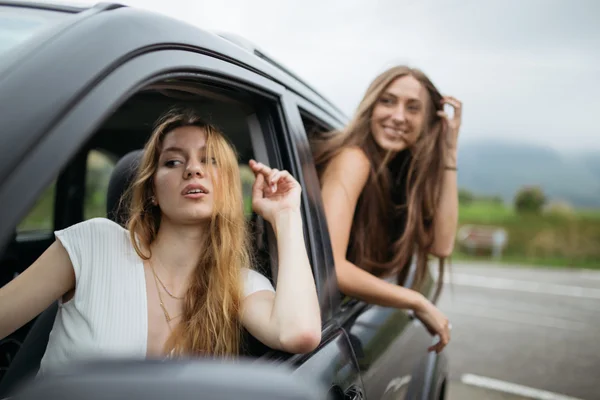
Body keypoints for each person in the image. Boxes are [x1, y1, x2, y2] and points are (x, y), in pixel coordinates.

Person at [0, 107, 322, 375]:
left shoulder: (239, 284)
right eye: (173, 162)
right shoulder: (93, 244)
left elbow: (299, 333)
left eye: (209, 160)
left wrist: (286, 216)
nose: (193, 169)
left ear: (228, 189)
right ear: (152, 190)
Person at [311, 66, 461, 353]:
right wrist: (415, 300)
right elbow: (333, 268)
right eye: (388, 101)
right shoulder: (353, 159)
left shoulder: (399, 177)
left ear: (430, 122)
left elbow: (441, 245)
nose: (398, 116)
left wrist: (449, 151)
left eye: (413, 108)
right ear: (371, 106)